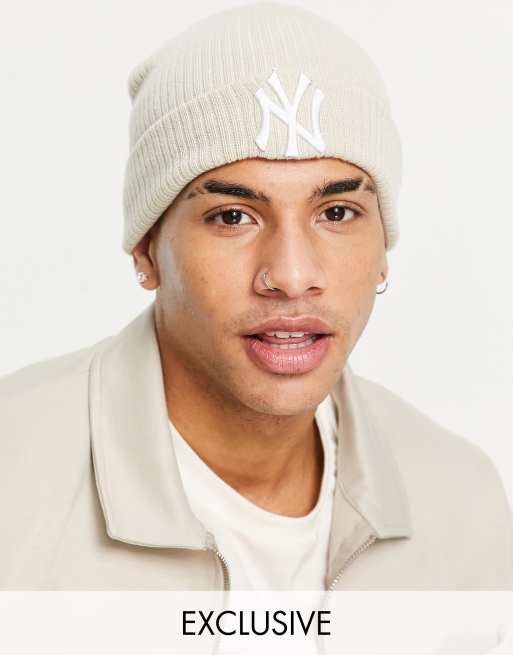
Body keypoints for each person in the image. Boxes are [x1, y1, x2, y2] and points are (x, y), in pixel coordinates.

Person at [1, 1, 512, 591]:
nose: (292, 276)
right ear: (146, 249)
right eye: (233, 216)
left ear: (382, 247)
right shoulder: (14, 485)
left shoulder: (461, 504)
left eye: (337, 212)